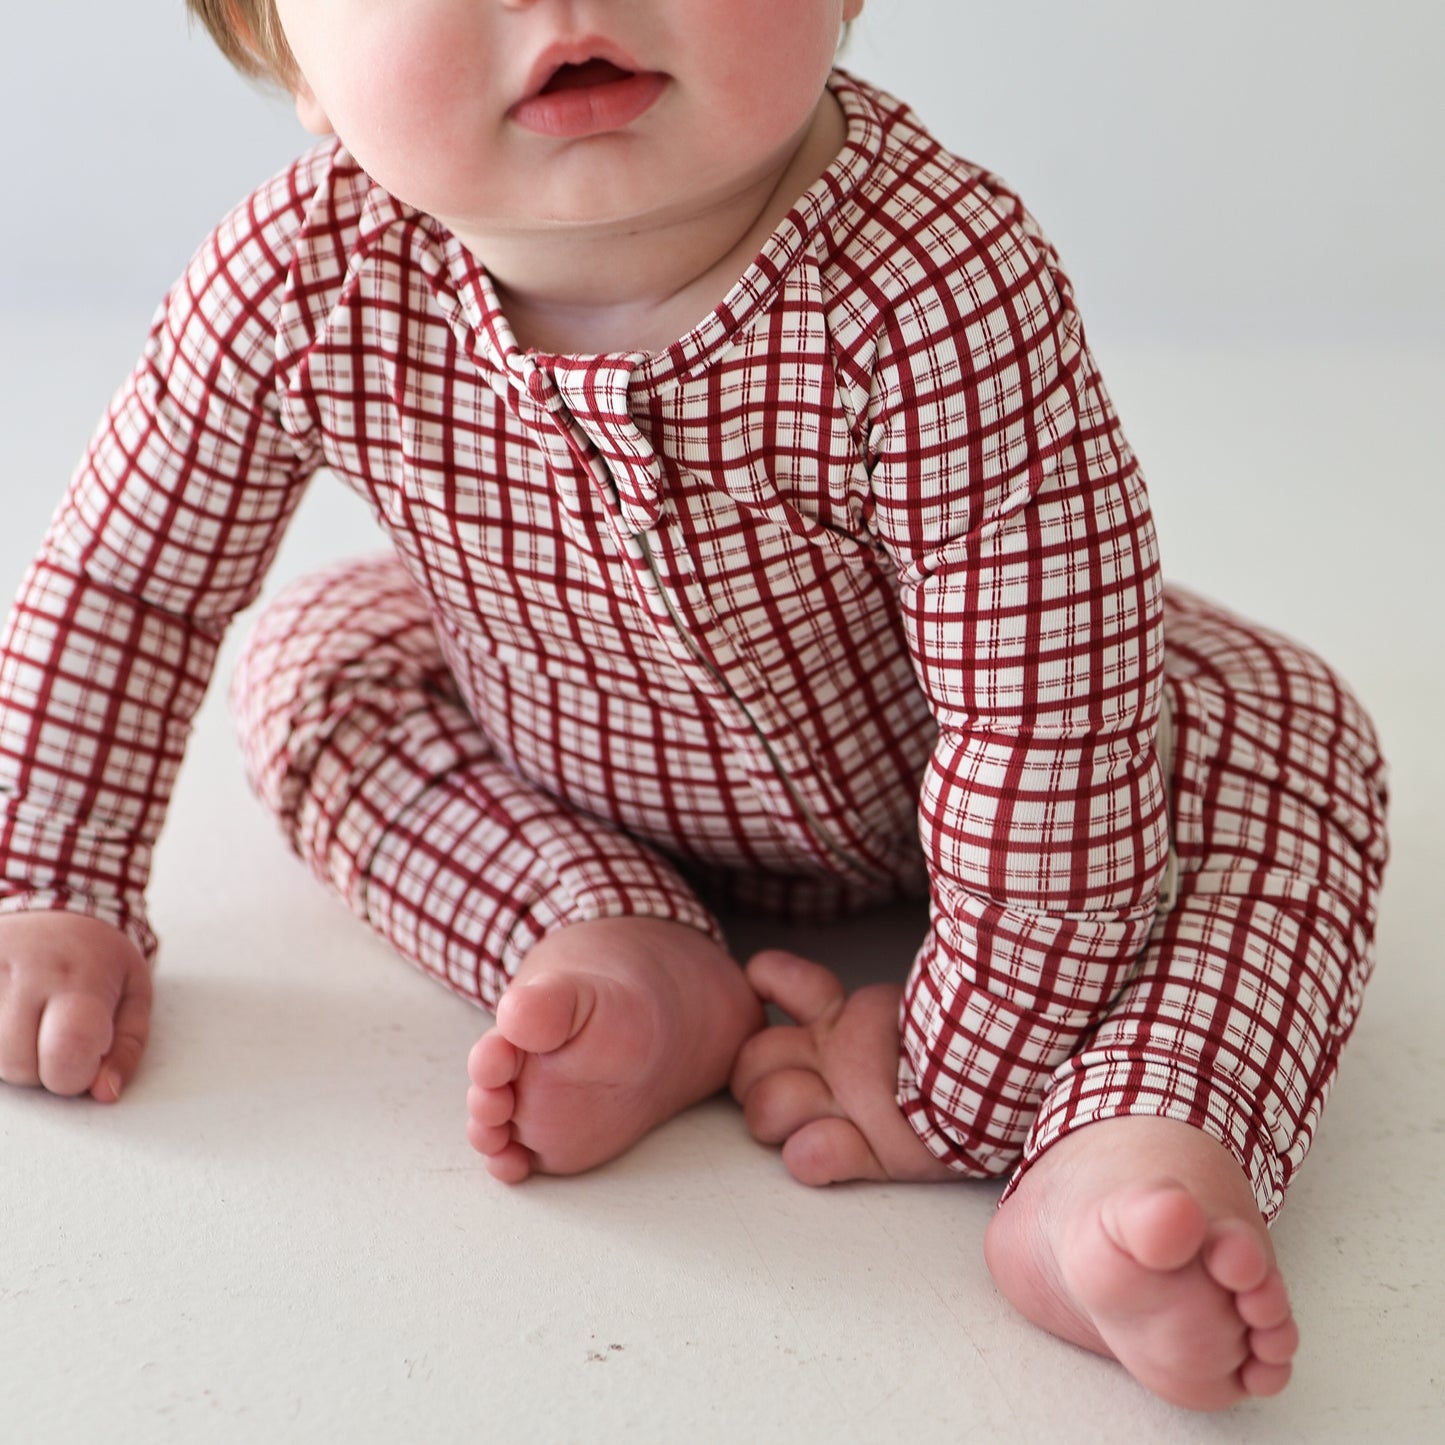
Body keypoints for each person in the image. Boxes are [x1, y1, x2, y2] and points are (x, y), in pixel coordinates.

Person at [0, 0, 1388, 1412]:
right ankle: (610, 929)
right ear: (296, 61)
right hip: (560, 761)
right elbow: (128, 582)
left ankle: (1127, 1138)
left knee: (1281, 730)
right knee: (314, 653)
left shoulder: (927, 279)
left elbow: (1047, 722)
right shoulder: (298, 276)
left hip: (977, 782)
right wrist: (51, 882)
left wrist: (961, 1069)